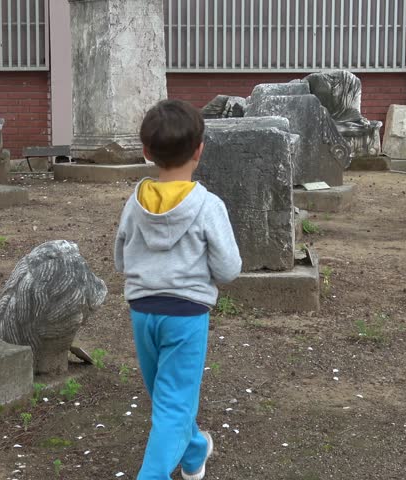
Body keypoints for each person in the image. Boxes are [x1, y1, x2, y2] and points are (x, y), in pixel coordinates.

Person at [114, 99, 242, 479]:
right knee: (172, 404)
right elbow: (229, 268)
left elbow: (121, 259)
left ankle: (194, 452)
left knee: (166, 399)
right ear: (200, 150)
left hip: (142, 311)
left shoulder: (135, 203)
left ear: (146, 151)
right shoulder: (208, 206)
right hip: (185, 316)